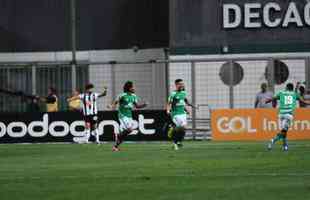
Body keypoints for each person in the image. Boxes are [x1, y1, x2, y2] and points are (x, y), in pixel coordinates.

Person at [266, 83, 310, 151]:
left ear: (287, 87)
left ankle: (285, 146)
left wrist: (268, 101)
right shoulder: (295, 94)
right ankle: (272, 141)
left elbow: (273, 98)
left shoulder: (281, 93)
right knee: (284, 131)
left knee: (284, 131)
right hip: (289, 115)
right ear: (292, 88)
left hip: (281, 114)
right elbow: (303, 101)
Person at [108, 81, 147, 151]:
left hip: (129, 116)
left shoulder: (134, 96)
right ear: (129, 88)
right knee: (129, 129)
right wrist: (111, 106)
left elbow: (137, 106)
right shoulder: (122, 95)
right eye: (132, 87)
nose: (134, 88)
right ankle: (118, 136)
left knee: (127, 132)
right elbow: (116, 102)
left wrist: (144, 105)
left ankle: (115, 146)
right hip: (122, 115)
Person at [166, 79, 194, 150]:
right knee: (181, 128)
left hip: (182, 113)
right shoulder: (173, 94)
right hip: (176, 113)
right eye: (180, 84)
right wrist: (168, 110)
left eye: (182, 84)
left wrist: (187, 109)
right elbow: (169, 103)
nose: (182, 85)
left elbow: (184, 101)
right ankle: (175, 144)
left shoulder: (183, 93)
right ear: (176, 85)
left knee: (183, 128)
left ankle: (178, 140)